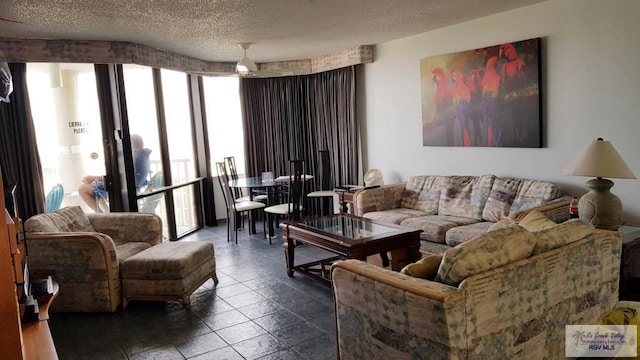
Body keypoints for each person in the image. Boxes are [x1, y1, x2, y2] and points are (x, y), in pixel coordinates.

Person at [78, 134, 151, 212]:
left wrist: (96, 178)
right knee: (95, 189)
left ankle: (100, 213)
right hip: (131, 186)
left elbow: (120, 177)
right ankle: (106, 213)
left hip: (121, 187)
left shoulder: (134, 157)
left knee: (82, 188)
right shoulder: (142, 156)